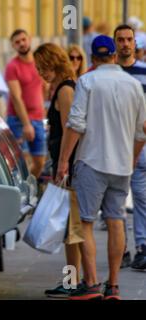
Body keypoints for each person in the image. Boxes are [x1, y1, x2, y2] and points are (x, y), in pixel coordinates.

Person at [57, 35, 146, 300]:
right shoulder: (133, 85)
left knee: (85, 222)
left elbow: (75, 124)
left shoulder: (87, 81)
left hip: (91, 162)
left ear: (93, 58)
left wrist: (63, 162)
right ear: (115, 56)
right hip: (121, 164)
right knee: (116, 221)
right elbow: (142, 132)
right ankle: (114, 286)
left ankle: (93, 284)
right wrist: (130, 159)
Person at [34, 43, 82, 298]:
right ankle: (75, 280)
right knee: (71, 230)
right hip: (68, 166)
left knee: (73, 230)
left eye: (43, 68)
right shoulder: (64, 86)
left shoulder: (65, 90)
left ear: (54, 63)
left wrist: (62, 165)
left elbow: (68, 131)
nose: (41, 73)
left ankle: (74, 282)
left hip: (70, 168)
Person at [114, 24, 146, 271]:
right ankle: (121, 249)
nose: (125, 43)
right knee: (115, 200)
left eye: (129, 39)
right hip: (114, 146)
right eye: (120, 39)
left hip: (141, 145)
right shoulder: (108, 73)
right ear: (115, 43)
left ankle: (143, 248)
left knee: (142, 198)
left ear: (135, 43)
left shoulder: (144, 72)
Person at [5, 29, 47, 179]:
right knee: (20, 163)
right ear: (13, 46)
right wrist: (26, 124)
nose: (21, 44)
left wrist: (46, 116)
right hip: (18, 121)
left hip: (38, 118)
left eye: (23, 39)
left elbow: (44, 89)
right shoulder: (12, 67)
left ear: (29, 39)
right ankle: (22, 195)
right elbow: (16, 97)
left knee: (40, 162)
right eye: (17, 42)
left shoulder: (39, 62)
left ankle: (31, 189)